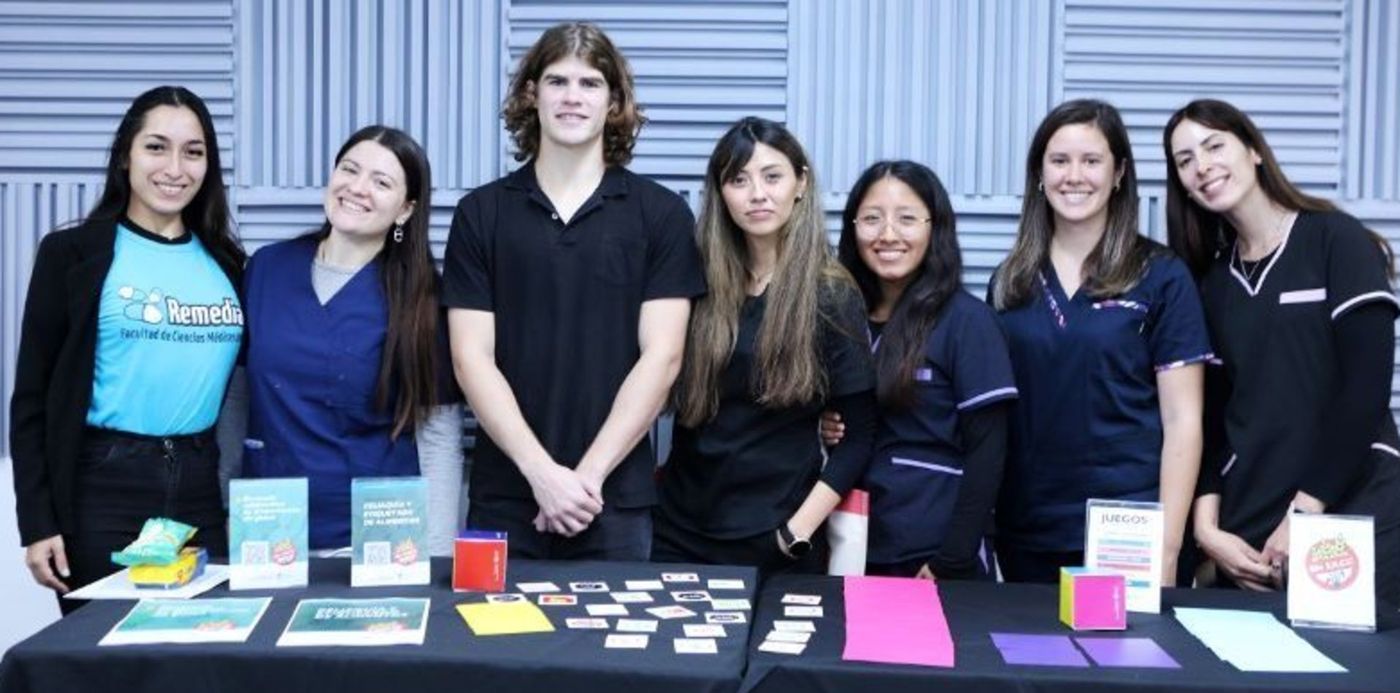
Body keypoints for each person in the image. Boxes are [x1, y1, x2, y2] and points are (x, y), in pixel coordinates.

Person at [443, 22, 705, 560]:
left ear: (614, 102)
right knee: (489, 647)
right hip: (506, 497)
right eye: (557, 81)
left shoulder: (661, 214)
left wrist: (583, 481)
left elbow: (664, 357)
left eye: (590, 84)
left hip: (612, 500)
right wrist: (542, 475)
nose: (572, 97)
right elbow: (471, 360)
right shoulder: (481, 213)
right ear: (530, 93)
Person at [11, 86, 245, 611]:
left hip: (200, 489)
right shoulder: (71, 254)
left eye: (193, 151)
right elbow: (32, 398)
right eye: (156, 147)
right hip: (103, 487)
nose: (175, 167)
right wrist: (38, 522)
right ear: (125, 155)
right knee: (104, 662)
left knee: (203, 657)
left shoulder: (227, 263)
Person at [1164, 98, 1400, 602]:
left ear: (1252, 149)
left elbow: (1367, 388)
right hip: (1251, 529)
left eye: (1213, 145)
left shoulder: (1335, 239)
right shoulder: (1211, 285)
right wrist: (1207, 531)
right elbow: (1211, 419)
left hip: (1349, 512)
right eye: (1185, 160)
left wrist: (1306, 512)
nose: (1202, 166)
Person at [990, 99, 1210, 584]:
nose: (1074, 175)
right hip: (1027, 527)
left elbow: (1183, 420)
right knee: (1030, 659)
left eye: (1091, 161)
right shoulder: (1010, 282)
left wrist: (1168, 547)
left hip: (1126, 530)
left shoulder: (1161, 276)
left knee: (1124, 660)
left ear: (1118, 174)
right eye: (1059, 160)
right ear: (1039, 174)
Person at [653, 116, 876, 575]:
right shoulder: (697, 284)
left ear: (800, 184)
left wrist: (795, 534)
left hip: (772, 538)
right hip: (677, 531)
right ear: (721, 194)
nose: (757, 193)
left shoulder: (831, 293)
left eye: (772, 176)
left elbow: (859, 437)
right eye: (739, 179)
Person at [233, 125, 465, 556]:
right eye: (349, 169)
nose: (357, 188)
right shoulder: (267, 269)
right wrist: (225, 508)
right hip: (268, 532)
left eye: (381, 182)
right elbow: (236, 402)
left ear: (404, 209)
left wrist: (435, 556)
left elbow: (437, 438)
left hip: (377, 540)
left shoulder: (423, 300)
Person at [821, 160, 1016, 580]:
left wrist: (953, 558)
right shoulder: (841, 316)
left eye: (907, 219)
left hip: (933, 553)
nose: (888, 234)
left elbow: (989, 451)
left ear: (935, 227)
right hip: (853, 544)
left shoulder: (967, 321)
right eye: (872, 219)